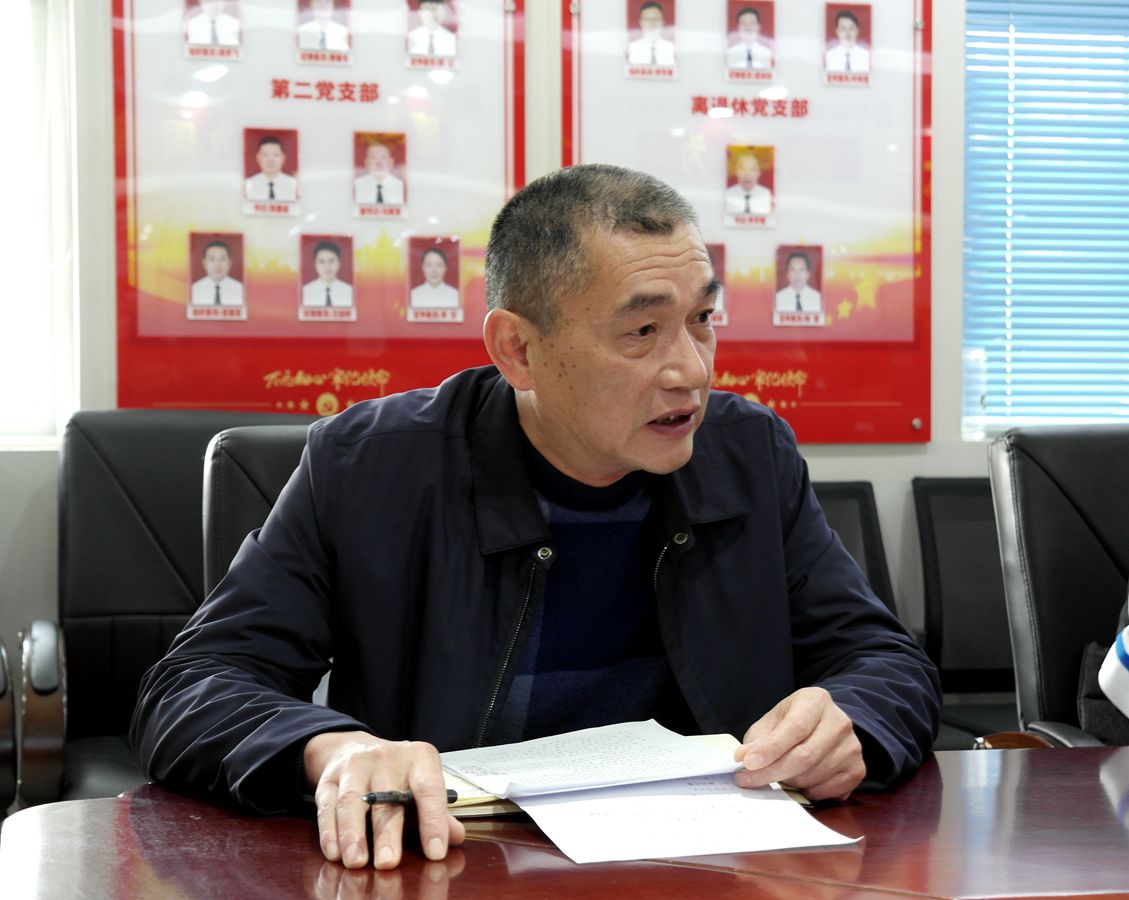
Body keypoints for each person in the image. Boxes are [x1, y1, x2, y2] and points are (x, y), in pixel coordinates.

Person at [132, 164, 939, 872]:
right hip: (461, 866)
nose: (690, 370)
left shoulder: (746, 453)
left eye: (701, 319)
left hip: (707, 864)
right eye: (642, 332)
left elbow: (883, 660)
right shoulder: (371, 465)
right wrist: (333, 750)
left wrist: (851, 720)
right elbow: (191, 687)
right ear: (516, 350)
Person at [244, 135, 298, 202]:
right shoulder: (247, 185)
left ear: (283, 158)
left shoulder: (294, 185)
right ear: (257, 158)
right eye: (265, 155)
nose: (270, 160)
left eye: (276, 155)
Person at [190, 240, 244, 306]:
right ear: (204, 263)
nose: (217, 265)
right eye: (212, 259)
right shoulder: (194, 290)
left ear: (229, 263)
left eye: (222, 259)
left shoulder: (241, 290)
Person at [301, 241, 354, 308]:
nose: (327, 267)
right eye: (322, 262)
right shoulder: (305, 291)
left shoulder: (350, 291)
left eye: (331, 261)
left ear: (339, 263)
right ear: (315, 264)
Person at [626, 2, 675, 66]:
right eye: (647, 19)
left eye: (656, 19)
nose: (652, 23)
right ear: (641, 23)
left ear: (663, 22)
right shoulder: (631, 49)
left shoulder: (672, 49)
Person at [725, 151, 773, 215]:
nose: (747, 173)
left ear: (759, 173)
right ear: (736, 172)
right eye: (742, 169)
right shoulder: (728, 194)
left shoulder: (767, 195)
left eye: (752, 169)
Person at [825, 9, 870, 73]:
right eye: (843, 28)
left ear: (857, 31)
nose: (847, 32)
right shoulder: (829, 56)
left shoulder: (866, 56)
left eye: (851, 28)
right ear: (837, 31)